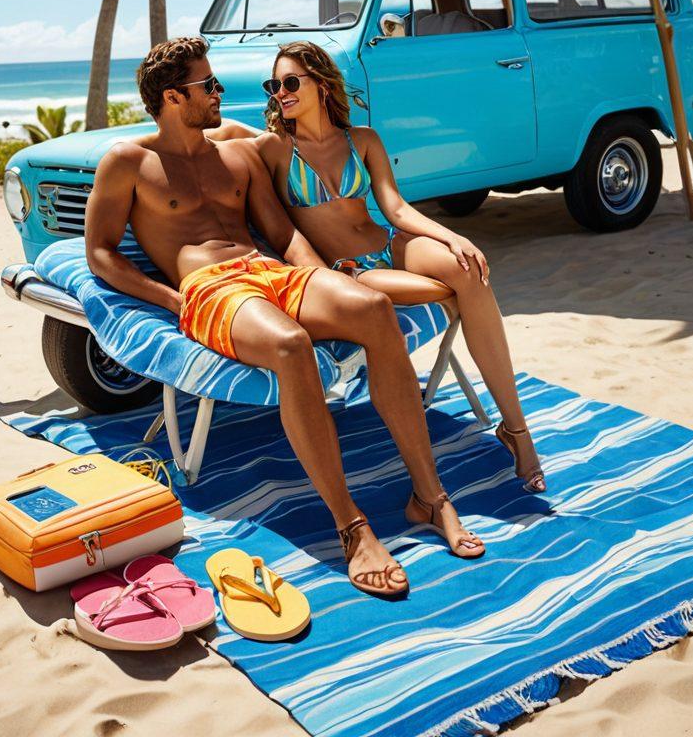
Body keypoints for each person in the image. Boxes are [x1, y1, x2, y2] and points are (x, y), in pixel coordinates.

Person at [85, 37, 484, 600]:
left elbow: (282, 234)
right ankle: (352, 526)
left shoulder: (238, 154)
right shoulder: (129, 161)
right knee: (292, 346)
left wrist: (324, 280)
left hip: (270, 271)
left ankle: (429, 496)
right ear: (174, 98)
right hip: (208, 289)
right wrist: (169, 300)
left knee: (372, 308)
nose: (220, 92)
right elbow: (100, 253)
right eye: (209, 85)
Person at [256, 40, 545, 493]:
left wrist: (453, 236)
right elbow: (222, 143)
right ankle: (497, 422)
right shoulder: (275, 148)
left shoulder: (363, 139)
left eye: (291, 82)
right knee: (454, 291)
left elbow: (395, 208)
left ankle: (516, 429)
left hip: (388, 243)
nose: (281, 92)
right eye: (274, 85)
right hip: (351, 271)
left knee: (469, 269)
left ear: (321, 84)